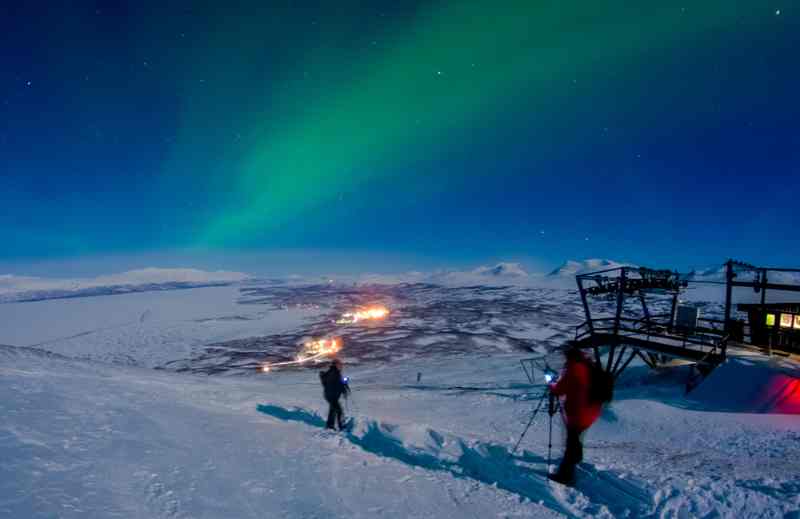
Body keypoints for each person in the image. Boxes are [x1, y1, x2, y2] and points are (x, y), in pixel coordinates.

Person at [548, 346, 603, 485]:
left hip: (579, 414)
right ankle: (577, 458)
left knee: (571, 443)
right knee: (576, 438)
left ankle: (565, 476)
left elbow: (559, 390)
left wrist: (551, 384)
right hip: (592, 411)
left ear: (569, 357)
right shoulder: (588, 366)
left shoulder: (574, 369)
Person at [319, 358, 350, 430]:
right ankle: (341, 426)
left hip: (330, 395)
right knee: (339, 410)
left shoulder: (334, 372)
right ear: (336, 365)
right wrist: (344, 384)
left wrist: (344, 381)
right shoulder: (334, 373)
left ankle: (330, 426)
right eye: (340, 365)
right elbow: (336, 384)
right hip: (332, 396)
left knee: (333, 410)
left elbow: (337, 383)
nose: (341, 366)